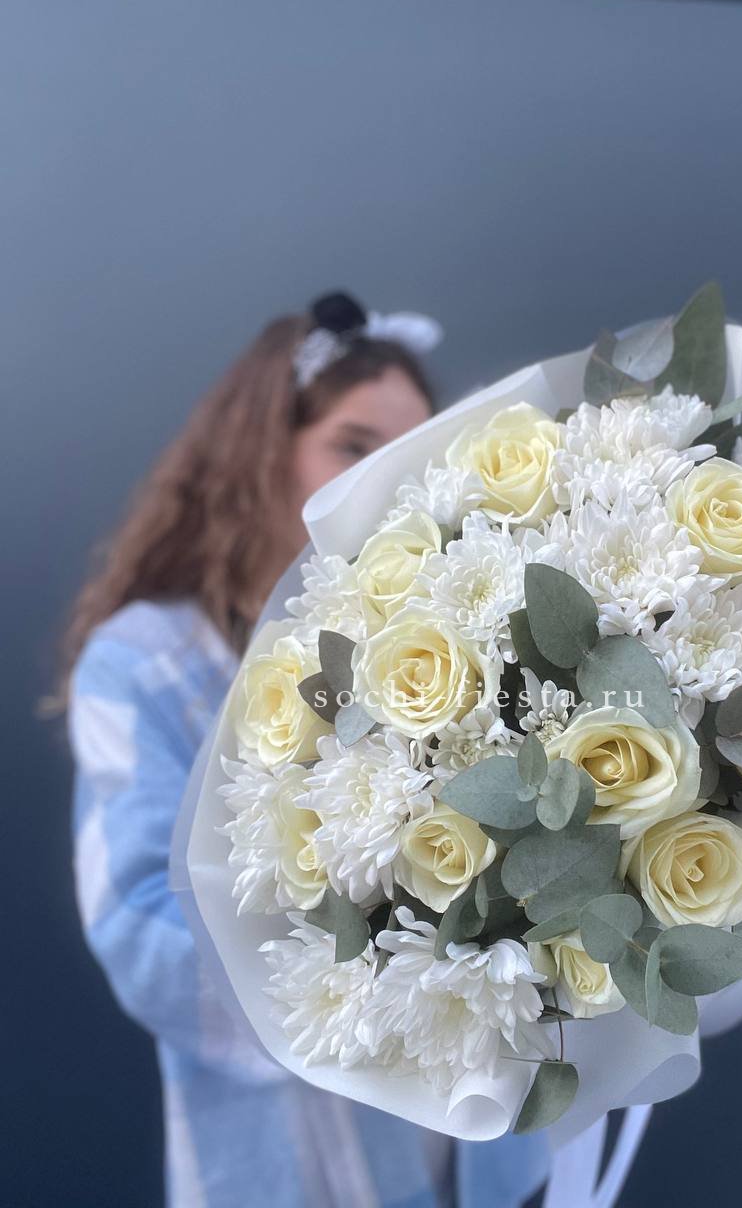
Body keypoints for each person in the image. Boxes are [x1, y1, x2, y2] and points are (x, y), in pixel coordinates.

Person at [65, 292, 553, 1208]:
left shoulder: (439, 641)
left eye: (407, 457)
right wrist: (389, 968)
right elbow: (138, 929)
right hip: (291, 1163)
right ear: (263, 450)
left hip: (485, 1154)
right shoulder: (148, 666)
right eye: (351, 445)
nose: (379, 483)